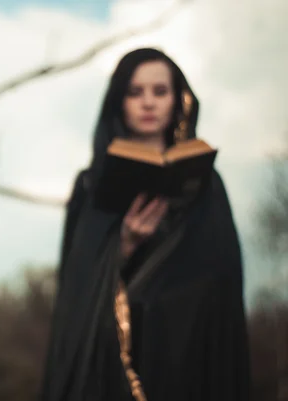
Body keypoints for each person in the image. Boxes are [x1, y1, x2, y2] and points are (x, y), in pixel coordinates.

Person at [39, 48, 251, 401]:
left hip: (188, 353)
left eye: (160, 91)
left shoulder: (207, 186)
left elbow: (223, 278)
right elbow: (75, 288)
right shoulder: (91, 186)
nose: (148, 102)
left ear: (178, 99)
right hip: (114, 358)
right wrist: (120, 246)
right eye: (135, 92)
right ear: (119, 101)